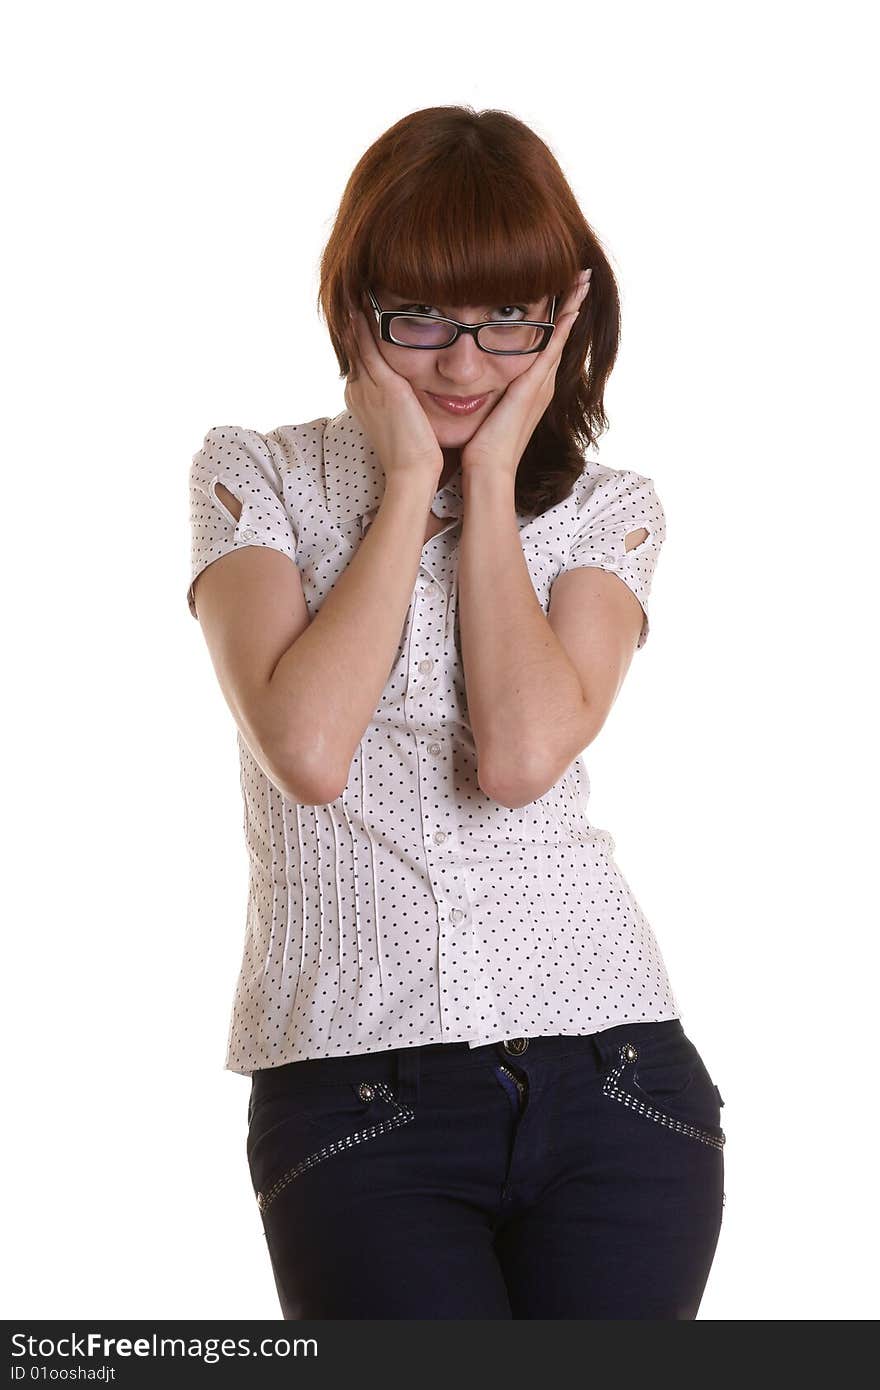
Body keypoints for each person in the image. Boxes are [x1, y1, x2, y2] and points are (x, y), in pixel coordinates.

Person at [186, 105, 726, 1320]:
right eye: (421, 319)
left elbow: (526, 755)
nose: (465, 364)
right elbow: (308, 750)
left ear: (563, 318)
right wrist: (408, 485)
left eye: (507, 322)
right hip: (352, 1098)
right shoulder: (253, 473)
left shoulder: (606, 509)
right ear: (355, 309)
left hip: (620, 1081)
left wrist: (487, 484)